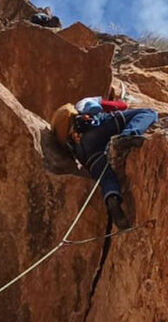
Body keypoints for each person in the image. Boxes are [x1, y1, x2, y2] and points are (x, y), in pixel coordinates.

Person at [51, 96, 158, 229]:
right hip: (96, 130)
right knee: (148, 113)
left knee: (105, 176)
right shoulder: (82, 103)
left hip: (83, 152)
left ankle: (111, 196)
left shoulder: (60, 128)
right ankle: (127, 136)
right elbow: (121, 106)